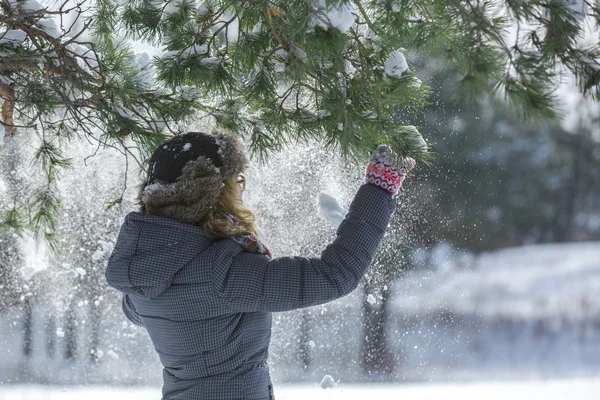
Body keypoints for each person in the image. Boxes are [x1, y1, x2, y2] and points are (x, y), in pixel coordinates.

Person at [105, 130, 414, 400]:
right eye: (234, 182)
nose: (240, 189)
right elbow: (335, 276)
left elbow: (140, 310)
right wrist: (378, 190)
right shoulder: (221, 275)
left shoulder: (143, 280)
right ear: (214, 195)